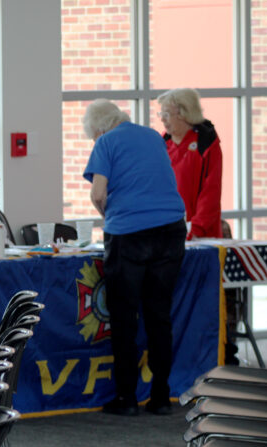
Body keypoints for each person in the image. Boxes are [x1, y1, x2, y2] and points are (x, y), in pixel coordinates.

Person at [82, 100, 187, 416]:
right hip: (171, 230)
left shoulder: (106, 142)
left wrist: (109, 215)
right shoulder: (154, 135)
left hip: (129, 235)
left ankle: (126, 398)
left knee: (125, 318)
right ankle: (160, 396)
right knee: (159, 315)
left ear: (98, 129)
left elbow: (98, 193)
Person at [157, 88, 223, 240]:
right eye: (161, 114)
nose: (162, 119)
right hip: (166, 231)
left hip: (201, 234)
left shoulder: (206, 144)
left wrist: (196, 228)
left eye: (166, 115)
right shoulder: (162, 144)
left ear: (183, 115)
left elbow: (211, 191)